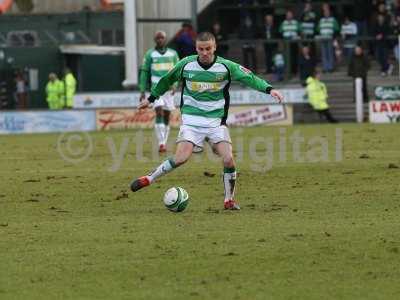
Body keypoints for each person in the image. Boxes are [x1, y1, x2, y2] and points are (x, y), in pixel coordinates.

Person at [130, 32, 284, 210]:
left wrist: (269, 89)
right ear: (196, 49)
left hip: (216, 122)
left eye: (208, 49)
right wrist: (151, 99)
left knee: (228, 159)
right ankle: (148, 178)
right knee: (181, 158)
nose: (204, 53)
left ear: (215, 47)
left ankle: (229, 200)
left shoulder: (226, 67)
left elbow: (250, 78)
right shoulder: (186, 64)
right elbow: (166, 80)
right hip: (191, 121)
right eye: (201, 49)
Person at [139, 30, 180, 153]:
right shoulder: (149, 54)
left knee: (167, 116)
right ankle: (161, 143)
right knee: (159, 112)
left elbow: (177, 71)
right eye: (158, 38)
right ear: (154, 40)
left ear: (166, 39)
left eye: (162, 37)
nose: (160, 40)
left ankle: (164, 141)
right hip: (155, 89)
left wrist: (175, 84)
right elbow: (144, 72)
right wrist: (142, 90)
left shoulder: (173, 54)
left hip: (169, 90)